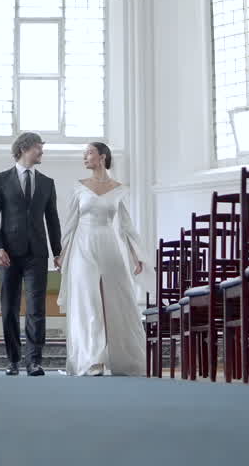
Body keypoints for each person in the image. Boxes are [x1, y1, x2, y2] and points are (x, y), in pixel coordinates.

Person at [55, 142, 147, 376]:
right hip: (82, 246)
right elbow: (70, 222)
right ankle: (92, 359)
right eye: (84, 153)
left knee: (116, 301)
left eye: (89, 152)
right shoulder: (79, 187)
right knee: (88, 300)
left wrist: (136, 257)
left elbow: (126, 226)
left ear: (102, 157)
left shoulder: (119, 189)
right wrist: (62, 253)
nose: (84, 157)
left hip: (109, 245)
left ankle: (121, 359)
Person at [0, 132, 62, 376]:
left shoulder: (47, 183)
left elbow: (53, 221)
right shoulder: (0, 179)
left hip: (37, 254)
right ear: (24, 149)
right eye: (39, 148)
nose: (42, 152)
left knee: (36, 308)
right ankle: (13, 360)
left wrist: (58, 252)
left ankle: (34, 361)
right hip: (7, 254)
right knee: (9, 307)